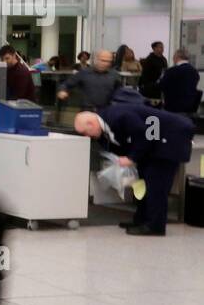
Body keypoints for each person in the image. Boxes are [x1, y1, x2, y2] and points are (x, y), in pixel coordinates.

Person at [74, 90, 193, 236]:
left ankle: (155, 226)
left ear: (91, 123)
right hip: (153, 146)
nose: (87, 136)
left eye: (86, 132)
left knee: (156, 186)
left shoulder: (118, 116)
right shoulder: (105, 122)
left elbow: (145, 135)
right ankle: (142, 219)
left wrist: (131, 158)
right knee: (143, 185)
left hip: (169, 141)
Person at [160, 49, 201, 115]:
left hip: (173, 107)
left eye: (173, 56)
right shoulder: (195, 72)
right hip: (190, 106)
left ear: (177, 57)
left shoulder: (172, 71)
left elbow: (161, 86)